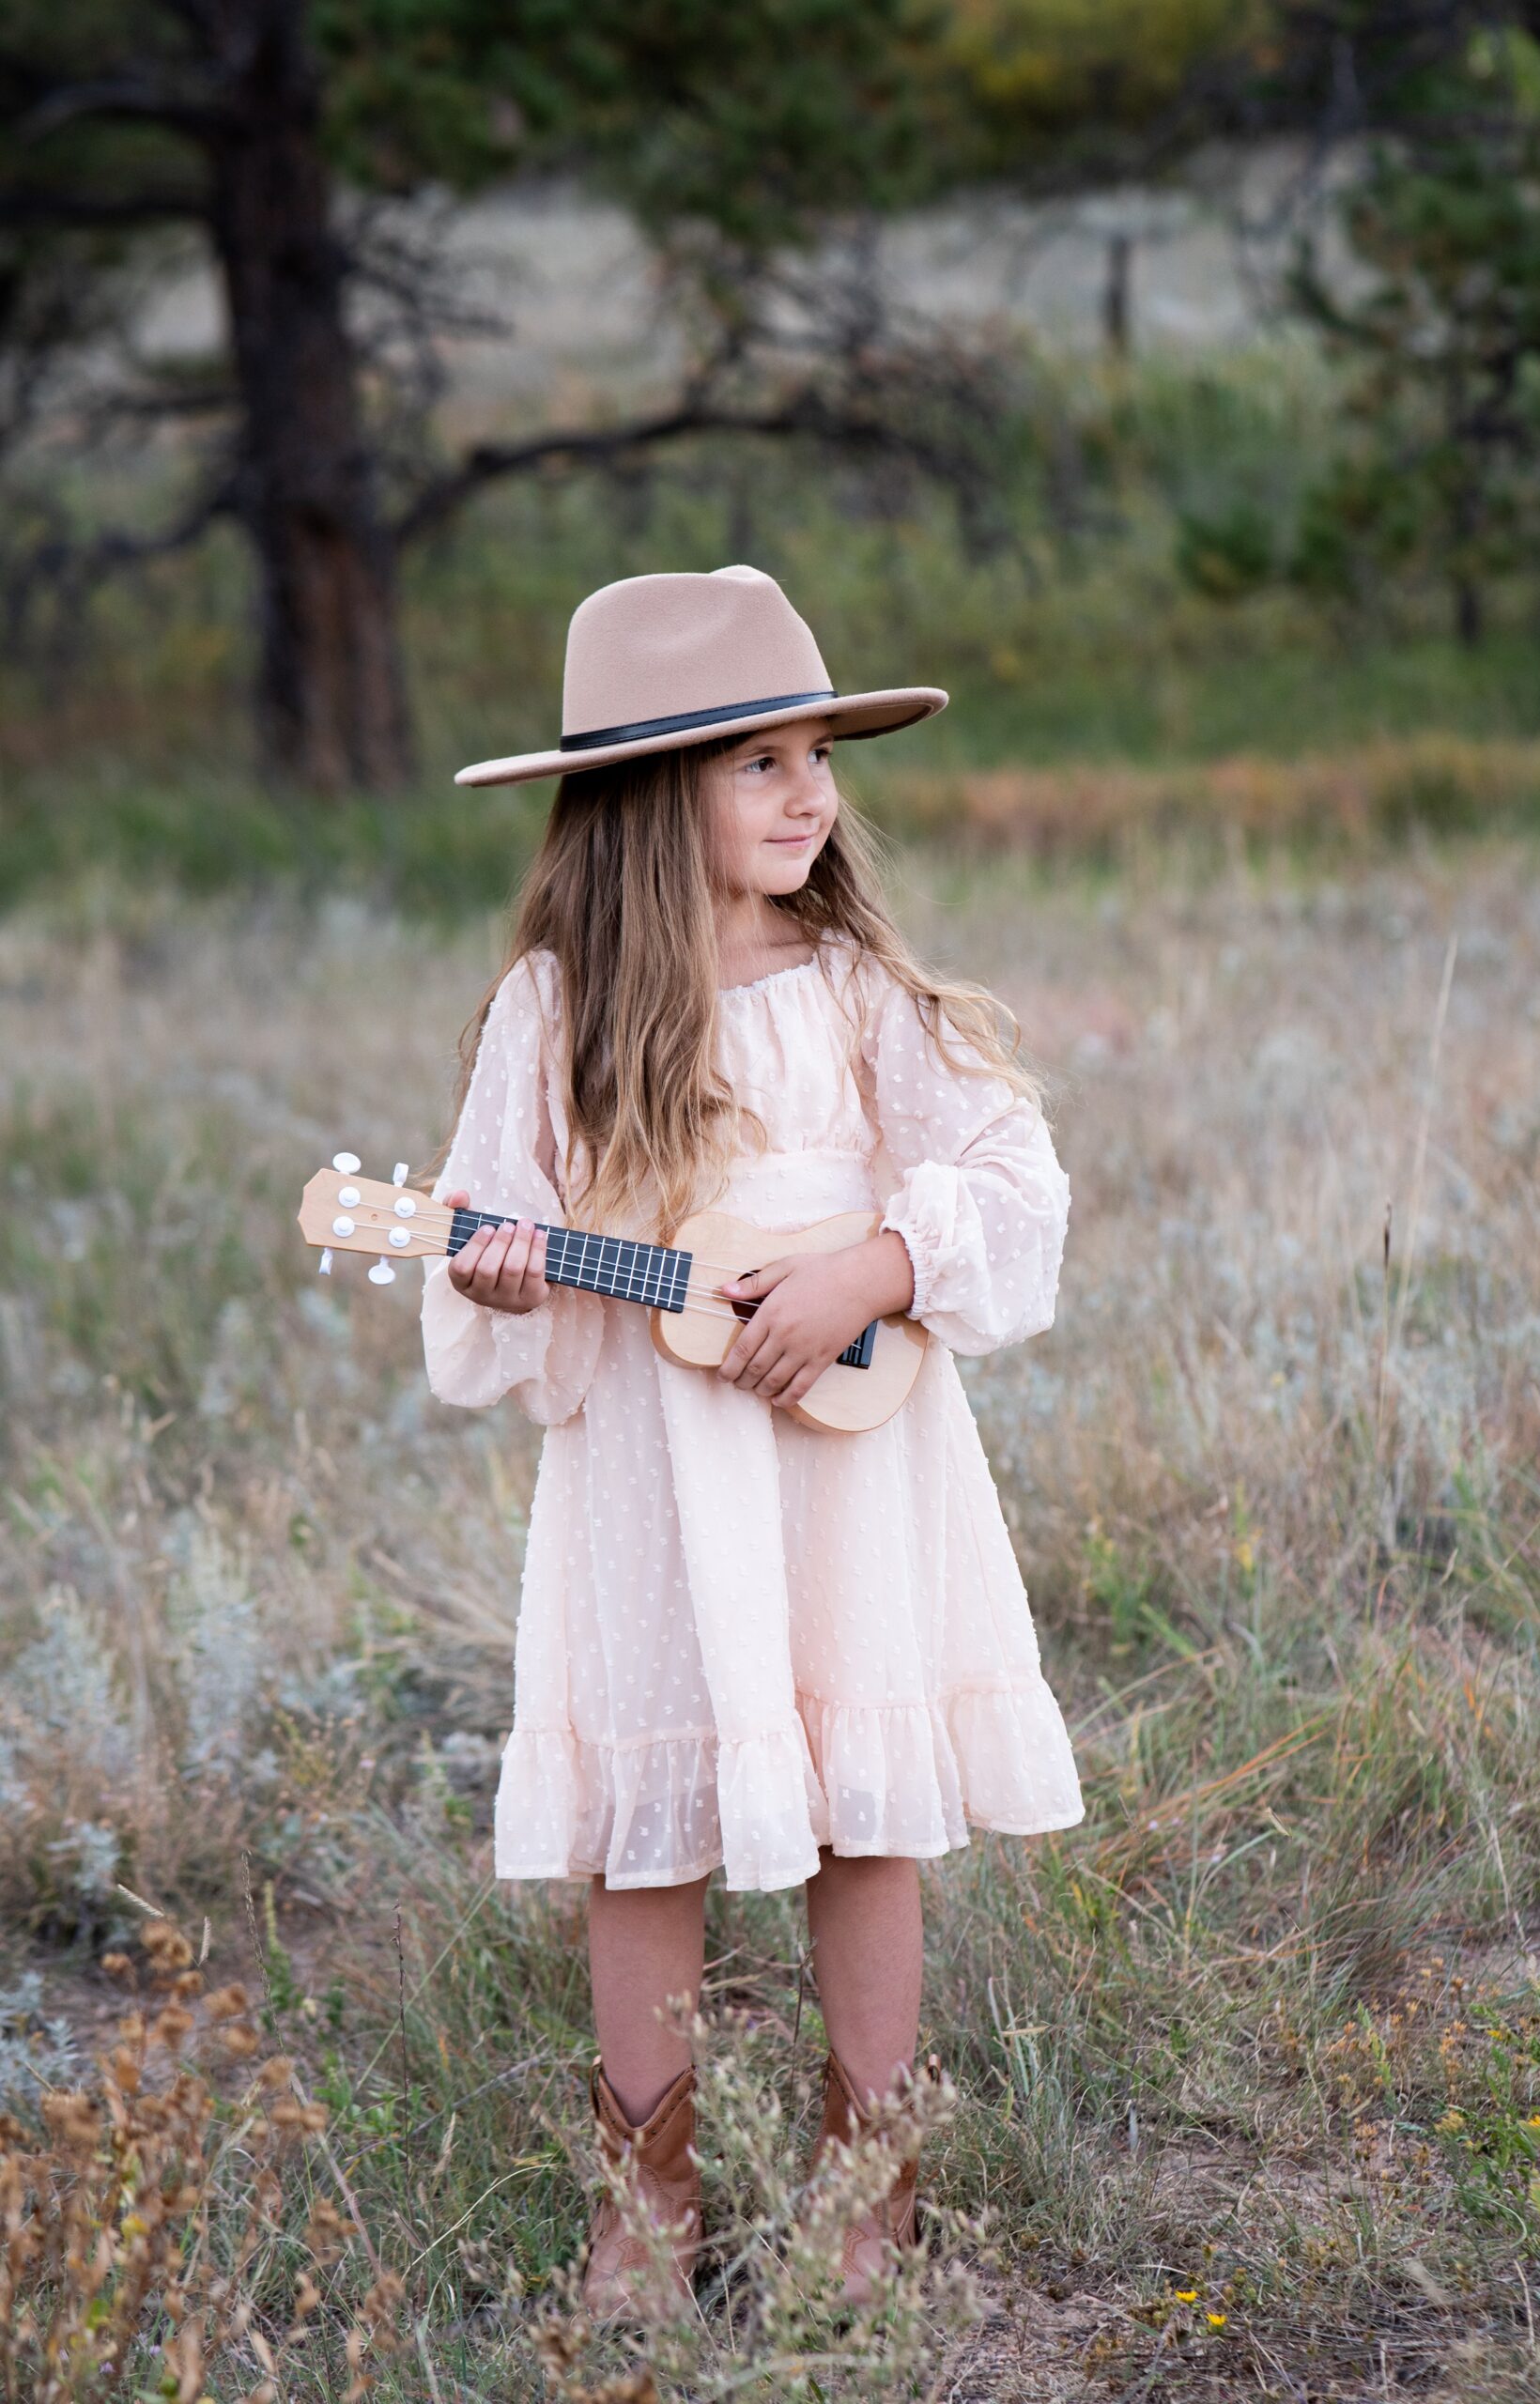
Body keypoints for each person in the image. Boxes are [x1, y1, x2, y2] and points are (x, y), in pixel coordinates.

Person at [421, 565, 1083, 2315]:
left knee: (867, 1820)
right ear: (650, 797)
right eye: (760, 764)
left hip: (851, 1473)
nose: (811, 795)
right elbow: (502, 1237)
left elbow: (1017, 1191)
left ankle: (866, 2203)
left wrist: (866, 1266)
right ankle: (649, 2214)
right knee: (651, 1827)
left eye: (816, 757)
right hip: (656, 1481)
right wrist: (498, 1275)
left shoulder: (859, 991)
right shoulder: (555, 1015)